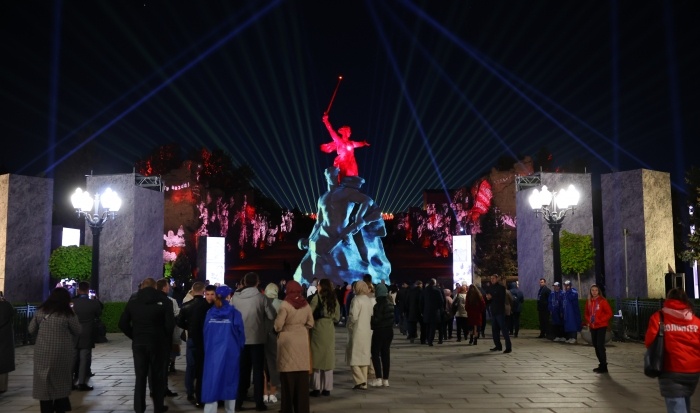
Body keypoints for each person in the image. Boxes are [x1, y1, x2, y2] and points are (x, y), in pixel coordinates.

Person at [118, 277, 175, 413]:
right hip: (157, 343)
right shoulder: (165, 301)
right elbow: (170, 325)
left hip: (139, 343)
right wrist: (163, 338)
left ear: (142, 286)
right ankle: (158, 407)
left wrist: (134, 335)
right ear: (155, 287)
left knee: (140, 377)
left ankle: (139, 408)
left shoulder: (133, 301)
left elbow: (122, 323)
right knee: (157, 377)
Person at [645, 288, 700, 413]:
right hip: (693, 371)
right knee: (685, 402)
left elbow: (649, 341)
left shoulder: (659, 318)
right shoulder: (696, 321)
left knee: (676, 407)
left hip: (670, 369)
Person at [28, 288, 82, 413]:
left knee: (43, 381)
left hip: (42, 352)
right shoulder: (68, 313)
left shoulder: (41, 311)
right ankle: (61, 407)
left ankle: (46, 408)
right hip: (61, 352)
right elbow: (77, 331)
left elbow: (31, 330)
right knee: (60, 380)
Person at [231, 272, 276, 412]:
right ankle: (259, 403)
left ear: (244, 282)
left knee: (242, 371)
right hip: (257, 339)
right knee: (258, 372)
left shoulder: (235, 298)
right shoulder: (261, 298)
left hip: (240, 339)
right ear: (257, 282)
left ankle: (238, 402)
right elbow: (272, 315)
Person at [201, 285, 245, 413]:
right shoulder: (235, 313)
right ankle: (230, 410)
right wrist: (239, 348)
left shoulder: (210, 313)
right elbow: (241, 334)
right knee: (230, 381)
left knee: (212, 381)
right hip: (231, 352)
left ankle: (210, 410)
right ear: (229, 296)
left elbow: (205, 333)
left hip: (212, 353)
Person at [274, 280, 314, 413]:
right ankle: (302, 409)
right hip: (302, 339)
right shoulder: (305, 304)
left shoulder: (285, 304)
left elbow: (278, 325)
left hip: (287, 340)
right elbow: (311, 323)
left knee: (287, 380)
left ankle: (286, 409)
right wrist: (301, 328)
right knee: (302, 382)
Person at [309, 279, 340, 397]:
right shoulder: (334, 299)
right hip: (329, 329)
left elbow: (310, 312)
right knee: (328, 358)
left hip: (318, 328)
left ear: (322, 286)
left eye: (319, 285)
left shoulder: (317, 298)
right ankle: (327, 388)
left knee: (316, 358)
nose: (317, 287)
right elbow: (337, 317)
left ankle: (316, 387)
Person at [321, 113, 370, 182]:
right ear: (345, 132)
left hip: (351, 163)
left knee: (352, 179)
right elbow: (331, 131)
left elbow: (359, 144)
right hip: (342, 163)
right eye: (349, 131)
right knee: (342, 178)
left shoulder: (351, 143)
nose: (350, 133)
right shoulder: (339, 141)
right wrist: (326, 121)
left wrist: (364, 143)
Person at [71, 281, 102, 391]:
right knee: (84, 358)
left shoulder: (72, 303)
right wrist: (96, 300)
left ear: (78, 290)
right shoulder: (93, 303)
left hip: (74, 332)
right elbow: (99, 313)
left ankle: (69, 382)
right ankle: (82, 382)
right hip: (87, 332)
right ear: (88, 290)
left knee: (73, 357)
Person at [346, 280, 374, 389]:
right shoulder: (368, 300)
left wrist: (349, 324)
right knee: (364, 357)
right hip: (366, 330)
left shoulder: (356, 300)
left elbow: (353, 316)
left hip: (357, 331)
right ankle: (364, 383)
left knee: (353, 357)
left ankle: (360, 380)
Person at [583, 284, 612, 374]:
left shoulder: (602, 301)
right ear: (590, 292)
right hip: (593, 326)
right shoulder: (589, 301)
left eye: (596, 290)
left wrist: (599, 320)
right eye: (592, 290)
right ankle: (601, 364)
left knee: (600, 345)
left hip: (601, 326)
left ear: (598, 291)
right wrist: (589, 320)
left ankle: (604, 365)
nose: (594, 292)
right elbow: (586, 313)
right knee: (595, 345)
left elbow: (609, 313)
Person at [369, 283, 394, 387]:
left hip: (379, 331)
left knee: (375, 353)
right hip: (389, 331)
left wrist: (371, 319)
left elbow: (377, 320)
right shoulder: (390, 303)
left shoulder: (378, 305)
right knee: (385, 354)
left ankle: (378, 378)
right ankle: (386, 379)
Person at [263, 283, 282, 404]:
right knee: (274, 365)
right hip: (274, 336)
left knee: (263, 366)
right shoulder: (281, 303)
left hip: (260, 336)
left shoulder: (260, 301)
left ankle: (264, 393)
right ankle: (273, 392)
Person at [485, 274, 511, 353]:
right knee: (494, 330)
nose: (492, 280)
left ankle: (508, 347)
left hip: (500, 311)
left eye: (493, 278)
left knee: (503, 329)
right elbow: (488, 299)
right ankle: (498, 345)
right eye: (491, 278)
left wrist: (492, 297)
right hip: (493, 311)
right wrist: (487, 298)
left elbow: (502, 299)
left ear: (497, 279)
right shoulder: (489, 288)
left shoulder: (501, 288)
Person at [421, 278, 445, 346]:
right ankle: (430, 341)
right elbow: (441, 301)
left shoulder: (424, 290)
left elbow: (421, 302)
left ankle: (427, 339)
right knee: (433, 327)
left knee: (427, 326)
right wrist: (439, 308)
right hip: (435, 311)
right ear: (434, 283)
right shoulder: (437, 290)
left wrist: (422, 310)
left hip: (426, 311)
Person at [0, 291, 16, 393]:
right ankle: (2, 387)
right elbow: (13, 314)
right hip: (5, 335)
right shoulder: (6, 305)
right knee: (3, 361)